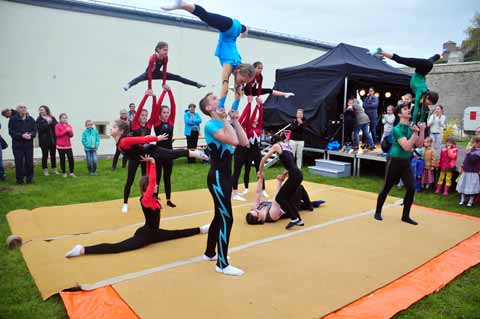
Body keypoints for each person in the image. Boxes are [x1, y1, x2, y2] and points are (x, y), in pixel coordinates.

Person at [65, 155, 210, 257]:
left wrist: (148, 162)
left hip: (153, 233)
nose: (156, 185)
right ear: (148, 187)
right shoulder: (146, 199)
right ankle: (82, 249)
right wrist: (153, 162)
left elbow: (150, 178)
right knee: (117, 248)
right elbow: (152, 179)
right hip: (145, 235)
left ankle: (202, 229)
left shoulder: (151, 197)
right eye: (153, 185)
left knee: (176, 234)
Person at [161, 2, 255, 110]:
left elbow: (238, 92)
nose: (242, 83)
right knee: (206, 16)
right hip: (230, 28)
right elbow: (225, 86)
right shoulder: (229, 64)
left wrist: (234, 110)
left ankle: (244, 30)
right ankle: (182, 4)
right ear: (238, 72)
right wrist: (220, 106)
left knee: (238, 28)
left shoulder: (239, 66)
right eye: (243, 81)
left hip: (237, 29)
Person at [198, 92, 249, 276]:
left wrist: (235, 120)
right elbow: (233, 140)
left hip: (225, 177)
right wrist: (225, 120)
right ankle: (222, 263)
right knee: (227, 217)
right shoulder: (211, 125)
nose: (218, 101)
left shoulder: (222, 123)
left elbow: (244, 142)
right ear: (208, 108)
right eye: (213, 100)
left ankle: (210, 252)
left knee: (219, 215)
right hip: (218, 178)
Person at [375, 103, 426, 225]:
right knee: (386, 188)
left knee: (411, 188)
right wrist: (415, 133)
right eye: (405, 109)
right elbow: (407, 147)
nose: (408, 110)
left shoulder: (410, 127)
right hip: (395, 162)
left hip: (405, 162)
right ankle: (377, 212)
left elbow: (419, 144)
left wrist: (422, 131)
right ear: (399, 114)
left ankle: (405, 216)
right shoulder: (397, 129)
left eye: (409, 109)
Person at [376, 49, 440, 124]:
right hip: (424, 66)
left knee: (432, 59)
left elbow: (424, 110)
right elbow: (416, 109)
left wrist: (422, 122)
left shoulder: (425, 94)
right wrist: (413, 122)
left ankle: (439, 55)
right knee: (401, 60)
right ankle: (381, 52)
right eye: (428, 103)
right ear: (428, 97)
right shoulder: (420, 92)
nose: (427, 105)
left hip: (426, 68)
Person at [258, 133, 305, 229]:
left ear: (274, 142)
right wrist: (284, 175)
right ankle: (298, 219)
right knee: (287, 198)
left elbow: (263, 159)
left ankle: (294, 219)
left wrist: (260, 171)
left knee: (280, 198)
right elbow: (290, 164)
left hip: (294, 175)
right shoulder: (287, 146)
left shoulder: (276, 146)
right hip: (298, 174)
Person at [124, 41, 205, 92]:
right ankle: (128, 85)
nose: (167, 52)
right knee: (139, 78)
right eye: (165, 50)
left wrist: (163, 83)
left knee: (177, 77)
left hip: (158, 73)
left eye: (167, 50)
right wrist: (149, 88)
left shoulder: (165, 58)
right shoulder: (152, 58)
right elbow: (149, 74)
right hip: (149, 73)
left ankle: (196, 84)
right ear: (158, 49)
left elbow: (165, 70)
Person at [245, 173, 324, 224]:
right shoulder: (272, 215)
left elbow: (258, 192)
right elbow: (277, 198)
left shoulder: (255, 208)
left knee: (292, 189)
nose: (255, 209)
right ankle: (309, 206)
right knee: (299, 187)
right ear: (259, 219)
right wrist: (279, 181)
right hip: (290, 206)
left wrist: (260, 178)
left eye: (253, 210)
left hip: (283, 202)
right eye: (256, 212)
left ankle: (308, 204)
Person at [153, 89, 178, 207]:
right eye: (164, 112)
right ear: (160, 114)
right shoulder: (156, 123)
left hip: (169, 153)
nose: (167, 114)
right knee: (156, 178)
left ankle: (168, 199)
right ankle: (155, 198)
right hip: (158, 154)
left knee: (167, 177)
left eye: (167, 112)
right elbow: (157, 106)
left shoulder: (171, 122)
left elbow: (174, 106)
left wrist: (170, 92)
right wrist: (163, 92)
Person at [8, 104, 37, 184]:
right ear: (17, 110)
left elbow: (34, 131)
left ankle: (30, 178)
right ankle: (19, 179)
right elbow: (11, 132)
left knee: (29, 162)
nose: (23, 109)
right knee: (19, 162)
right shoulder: (13, 119)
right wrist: (21, 135)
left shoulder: (31, 119)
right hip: (18, 145)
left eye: (25, 107)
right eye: (21, 107)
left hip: (28, 144)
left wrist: (30, 135)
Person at [456, 136, 480, 207]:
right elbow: (466, 160)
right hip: (466, 171)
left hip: (473, 172)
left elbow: (473, 161)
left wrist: (468, 154)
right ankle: (462, 199)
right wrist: (462, 166)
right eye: (471, 142)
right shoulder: (470, 150)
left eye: (473, 142)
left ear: (478, 143)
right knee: (464, 184)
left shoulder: (478, 152)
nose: (471, 144)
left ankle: (471, 200)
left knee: (472, 186)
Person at [36, 105, 58, 176]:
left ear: (46, 110)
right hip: (44, 141)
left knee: (53, 155)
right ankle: (45, 170)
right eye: (40, 110)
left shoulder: (52, 117)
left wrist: (51, 123)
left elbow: (56, 125)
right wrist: (48, 123)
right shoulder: (39, 119)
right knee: (45, 155)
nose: (41, 111)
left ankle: (54, 168)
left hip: (52, 140)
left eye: (43, 109)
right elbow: (40, 129)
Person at [55, 113, 76, 178]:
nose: (64, 119)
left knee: (71, 159)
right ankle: (64, 172)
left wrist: (69, 131)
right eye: (63, 118)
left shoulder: (69, 125)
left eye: (65, 118)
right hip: (60, 146)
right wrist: (66, 130)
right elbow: (58, 134)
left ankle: (71, 172)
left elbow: (71, 135)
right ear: (60, 119)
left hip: (68, 145)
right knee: (62, 159)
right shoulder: (57, 125)